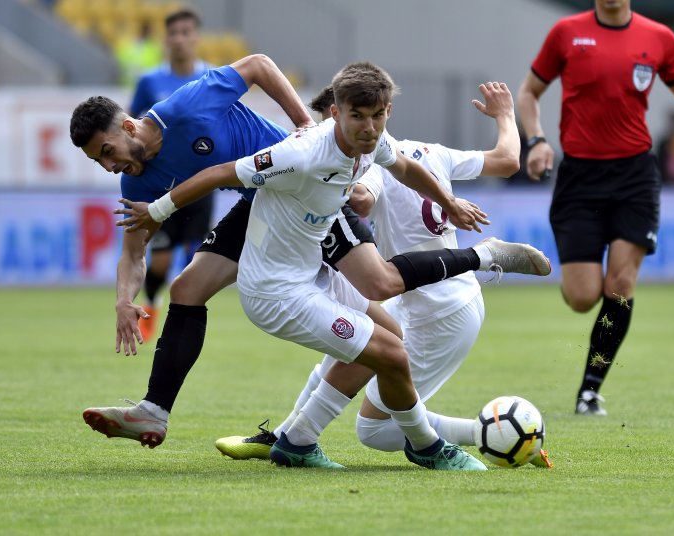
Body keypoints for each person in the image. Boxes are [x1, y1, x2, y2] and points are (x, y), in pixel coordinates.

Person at [72, 56, 548, 453]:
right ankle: (162, 412)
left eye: (109, 150)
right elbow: (133, 247)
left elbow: (257, 65)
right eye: (101, 161)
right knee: (187, 288)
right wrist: (122, 299)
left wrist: (302, 122)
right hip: (261, 201)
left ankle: (483, 258)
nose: (111, 165)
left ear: (129, 125)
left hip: (307, 190)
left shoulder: (187, 107)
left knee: (379, 292)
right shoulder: (135, 179)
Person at [213, 84, 552, 468]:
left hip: (440, 311)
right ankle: (287, 435)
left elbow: (362, 197)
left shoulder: (368, 160)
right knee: (347, 338)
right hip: (426, 300)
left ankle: (497, 435)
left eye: (333, 125)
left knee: (374, 430)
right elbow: (508, 160)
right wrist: (505, 115)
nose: (327, 137)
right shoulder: (433, 152)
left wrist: (326, 182)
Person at [517, 0, 674, 415]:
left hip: (635, 177)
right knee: (583, 296)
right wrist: (536, 141)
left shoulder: (659, 37)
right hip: (580, 179)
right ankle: (580, 287)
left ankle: (590, 390)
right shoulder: (566, 33)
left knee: (620, 286)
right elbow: (530, 93)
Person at [129, 8, 216, 342]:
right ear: (166, 40)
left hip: (201, 183)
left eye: (186, 32)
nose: (180, 39)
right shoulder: (150, 82)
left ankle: (180, 326)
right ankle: (151, 302)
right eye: (174, 33)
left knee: (195, 261)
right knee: (161, 262)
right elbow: (132, 127)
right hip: (162, 186)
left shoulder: (211, 77)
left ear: (196, 37)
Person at [656, 110, 674, 186]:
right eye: (671, 123)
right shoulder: (663, 143)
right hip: (666, 182)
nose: (673, 125)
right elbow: (659, 161)